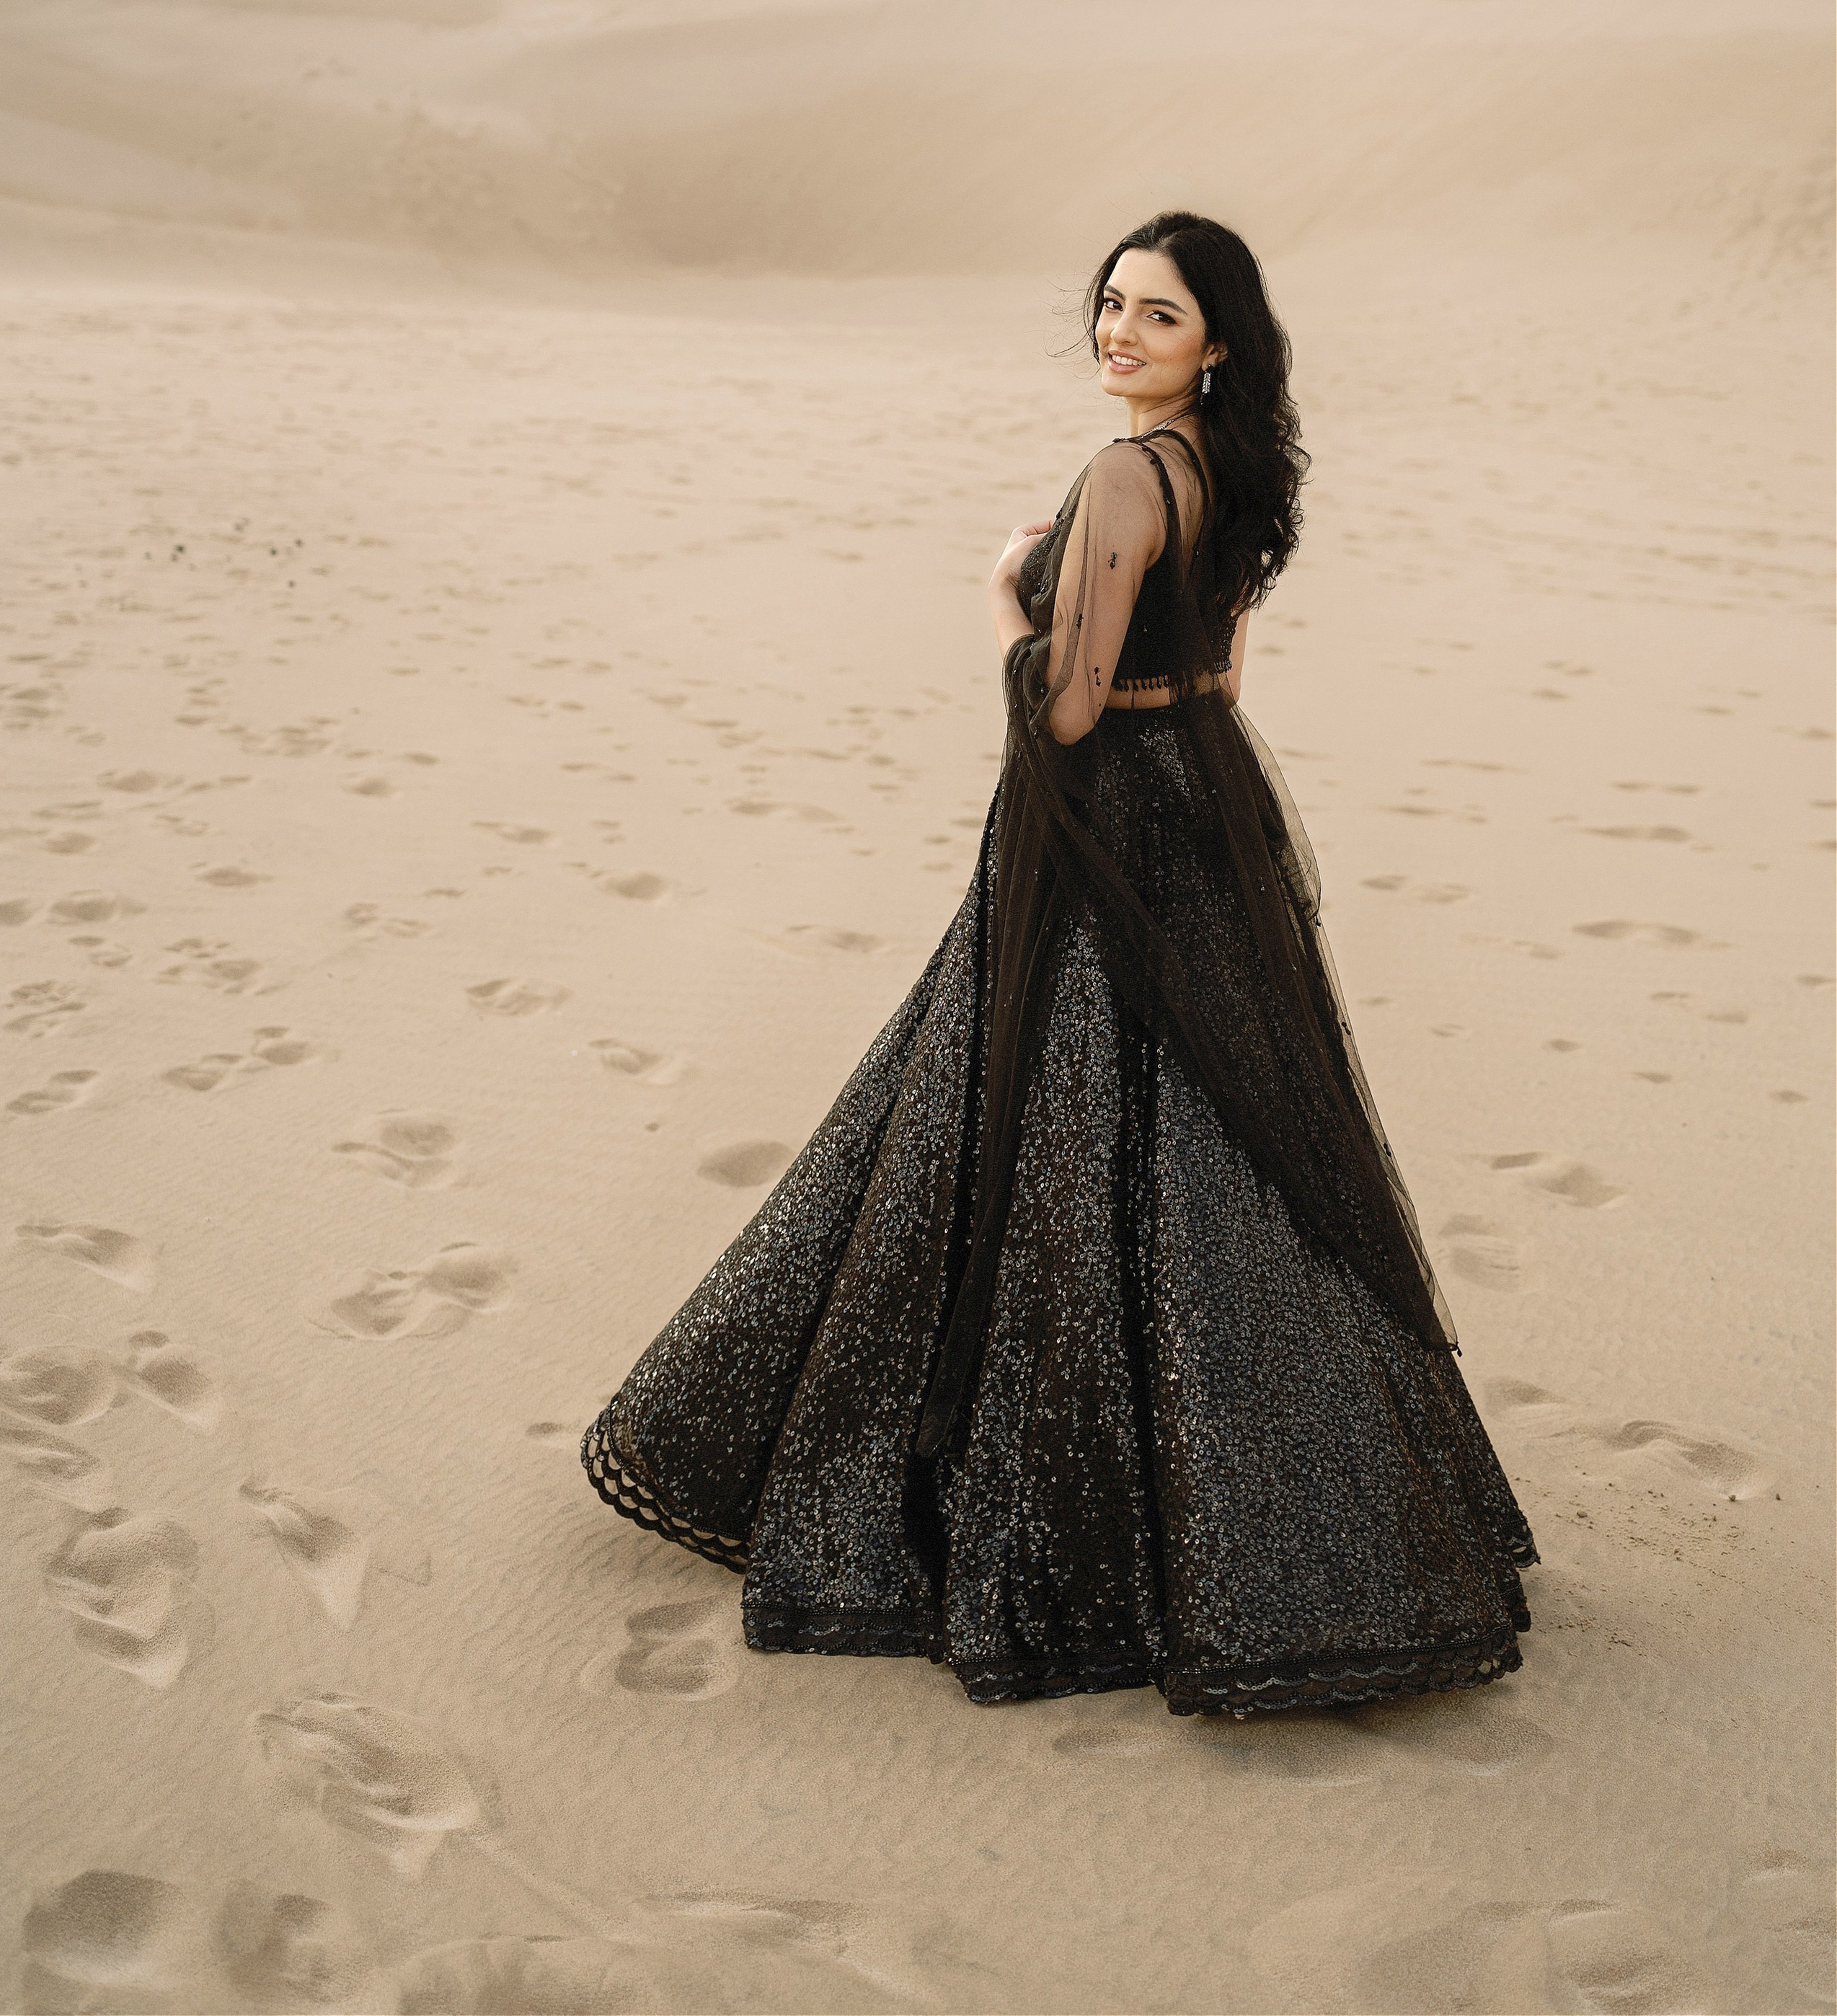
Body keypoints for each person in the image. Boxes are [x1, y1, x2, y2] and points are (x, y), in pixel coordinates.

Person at [582, 210, 1536, 1717]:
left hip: (1101, 824)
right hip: (1204, 798)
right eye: (1106, 305)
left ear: (1212, 340)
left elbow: (1071, 705)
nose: (1116, 334)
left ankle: (1064, 1528)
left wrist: (996, 608)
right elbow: (1216, 672)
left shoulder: (1121, 473)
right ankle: (1309, 1521)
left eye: (1153, 316)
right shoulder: (1233, 467)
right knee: (1226, 1140)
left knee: (1040, 1114)